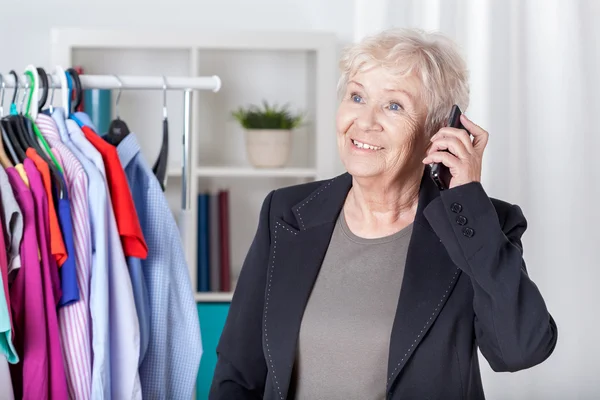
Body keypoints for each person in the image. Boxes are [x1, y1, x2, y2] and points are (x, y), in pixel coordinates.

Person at [209, 28, 557, 400]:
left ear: (437, 132)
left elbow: (520, 350)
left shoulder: (478, 226)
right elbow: (238, 371)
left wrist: (468, 200)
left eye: (394, 105)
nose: (365, 121)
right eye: (357, 96)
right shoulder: (285, 213)